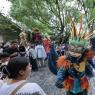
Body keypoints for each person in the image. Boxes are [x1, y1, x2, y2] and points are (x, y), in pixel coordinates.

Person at [48, 17, 95, 95]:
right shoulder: (66, 60)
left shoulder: (85, 59)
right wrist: (59, 80)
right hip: (70, 86)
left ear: (82, 49)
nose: (74, 51)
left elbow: (90, 70)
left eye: (78, 49)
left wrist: (91, 76)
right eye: (73, 48)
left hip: (82, 86)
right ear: (70, 47)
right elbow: (62, 71)